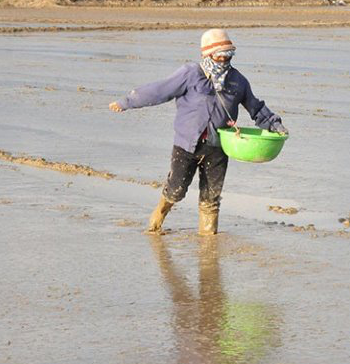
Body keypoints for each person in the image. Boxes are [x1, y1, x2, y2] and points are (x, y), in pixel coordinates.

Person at [109, 29, 287, 235]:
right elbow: (159, 90)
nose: (224, 59)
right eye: (220, 54)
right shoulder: (190, 73)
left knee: (211, 198)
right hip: (186, 145)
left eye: (229, 54)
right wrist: (127, 102)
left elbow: (256, 108)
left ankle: (208, 240)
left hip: (219, 147)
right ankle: (157, 219)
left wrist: (275, 125)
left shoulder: (238, 81)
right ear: (207, 54)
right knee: (176, 190)